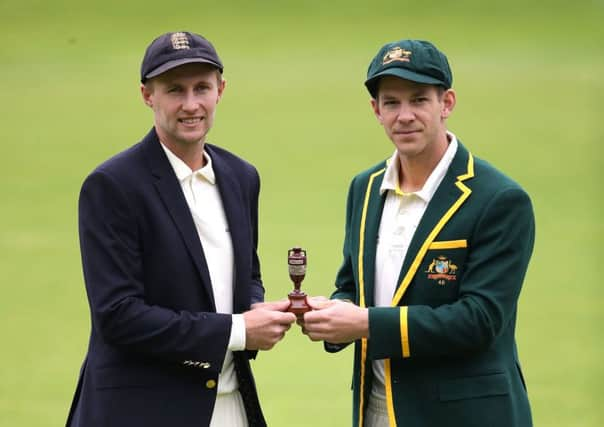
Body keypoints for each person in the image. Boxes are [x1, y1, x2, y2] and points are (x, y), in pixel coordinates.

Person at [65, 31, 296, 427]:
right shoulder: (112, 186)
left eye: (201, 88)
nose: (191, 105)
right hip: (140, 412)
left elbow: (247, 275)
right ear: (147, 95)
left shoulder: (241, 177)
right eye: (175, 90)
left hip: (231, 406)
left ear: (220, 90)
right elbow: (118, 316)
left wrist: (258, 309)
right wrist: (239, 330)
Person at [301, 39, 535, 427]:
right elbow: (354, 286)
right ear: (376, 110)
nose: (404, 115)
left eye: (419, 100)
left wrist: (364, 323)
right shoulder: (365, 187)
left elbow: (479, 320)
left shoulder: (500, 199)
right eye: (391, 102)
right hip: (376, 410)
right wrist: (331, 317)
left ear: (446, 103)